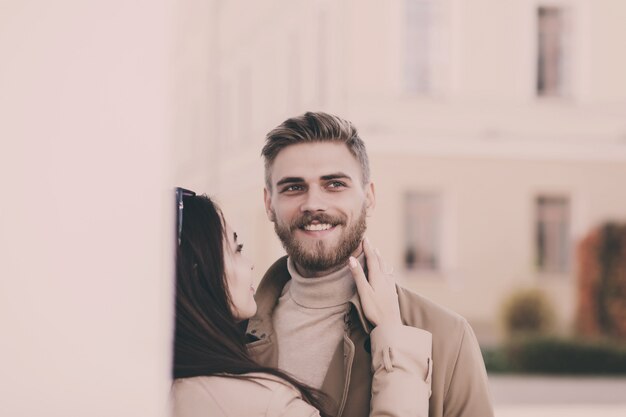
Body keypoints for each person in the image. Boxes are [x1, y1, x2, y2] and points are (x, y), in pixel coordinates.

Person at [248, 112, 495, 417]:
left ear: (369, 197)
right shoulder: (230, 335)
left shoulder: (446, 337)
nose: (313, 204)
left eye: (334, 184)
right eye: (293, 187)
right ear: (269, 203)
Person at [170, 191, 432, 417]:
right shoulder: (263, 404)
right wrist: (392, 334)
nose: (249, 262)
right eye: (237, 249)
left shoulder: (150, 387)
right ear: (198, 272)